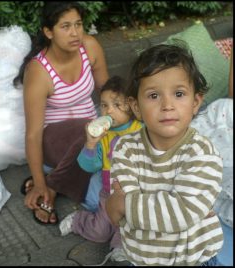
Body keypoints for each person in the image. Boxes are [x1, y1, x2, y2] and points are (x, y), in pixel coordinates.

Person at [105, 43, 224, 266]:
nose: (167, 105)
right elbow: (123, 210)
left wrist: (126, 206)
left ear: (195, 102)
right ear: (136, 107)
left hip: (196, 260)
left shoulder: (203, 153)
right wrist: (129, 208)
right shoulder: (126, 149)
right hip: (142, 260)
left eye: (179, 93)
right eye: (153, 96)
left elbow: (182, 212)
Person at [13, 2, 109, 224]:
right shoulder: (39, 71)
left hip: (91, 141)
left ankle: (55, 180)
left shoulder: (90, 47)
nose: (75, 33)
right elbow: (33, 134)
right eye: (65, 26)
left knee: (98, 198)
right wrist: (39, 183)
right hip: (52, 143)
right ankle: (49, 186)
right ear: (49, 32)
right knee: (89, 130)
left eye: (78, 24)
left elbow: (107, 90)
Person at [59, 76, 142, 262]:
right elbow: (89, 166)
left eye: (116, 104)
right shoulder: (103, 137)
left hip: (135, 195)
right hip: (108, 195)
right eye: (104, 105)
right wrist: (90, 144)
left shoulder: (141, 129)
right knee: (99, 233)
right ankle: (78, 221)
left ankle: (121, 248)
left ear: (132, 105)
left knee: (130, 229)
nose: (109, 110)